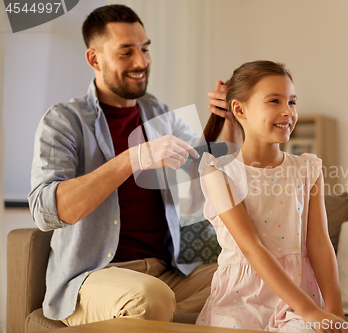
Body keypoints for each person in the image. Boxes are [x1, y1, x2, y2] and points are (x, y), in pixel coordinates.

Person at [28, 4, 239, 325]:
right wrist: (133, 158)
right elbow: (47, 212)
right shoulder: (64, 120)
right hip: (94, 277)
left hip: (166, 272)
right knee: (149, 298)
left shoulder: (158, 113)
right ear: (94, 59)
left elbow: (203, 174)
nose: (141, 62)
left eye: (144, 49)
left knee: (249, 278)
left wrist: (227, 121)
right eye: (126, 52)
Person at [194, 61, 348, 333]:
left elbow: (319, 243)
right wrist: (310, 311)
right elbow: (252, 247)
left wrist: (333, 313)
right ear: (239, 109)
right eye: (275, 101)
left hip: (298, 299)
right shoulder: (218, 172)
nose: (288, 112)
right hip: (240, 300)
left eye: (293, 102)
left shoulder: (308, 169)